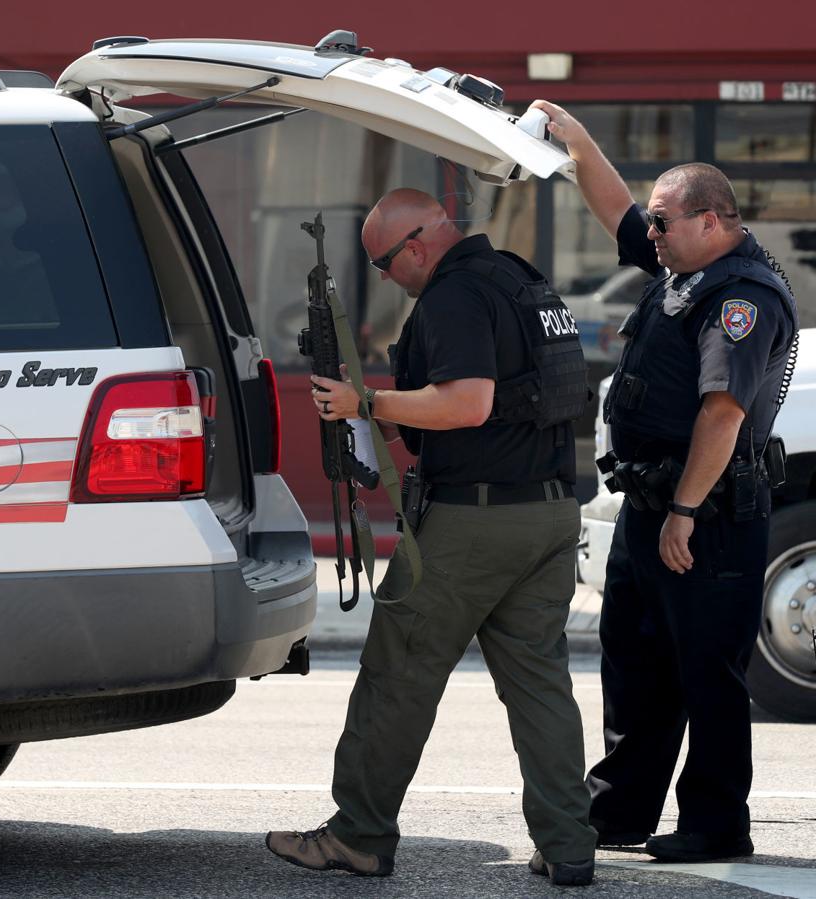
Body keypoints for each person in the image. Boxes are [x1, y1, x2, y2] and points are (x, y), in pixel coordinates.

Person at [265, 189, 597, 886]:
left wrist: (370, 403)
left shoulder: (453, 297)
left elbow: (469, 401)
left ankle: (357, 834)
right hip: (547, 511)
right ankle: (567, 844)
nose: (387, 278)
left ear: (415, 245)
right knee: (540, 686)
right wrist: (382, 425)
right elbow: (504, 402)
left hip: (473, 523)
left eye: (385, 263)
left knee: (397, 676)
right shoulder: (521, 280)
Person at [530, 100, 799, 863]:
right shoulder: (685, 264)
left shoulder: (738, 295)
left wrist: (683, 509)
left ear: (712, 220)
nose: (647, 236)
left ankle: (716, 822)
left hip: (704, 517)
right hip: (649, 507)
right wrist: (579, 141)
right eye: (653, 225)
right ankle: (618, 811)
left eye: (662, 223)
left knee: (706, 673)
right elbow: (616, 209)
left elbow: (722, 412)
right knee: (635, 663)